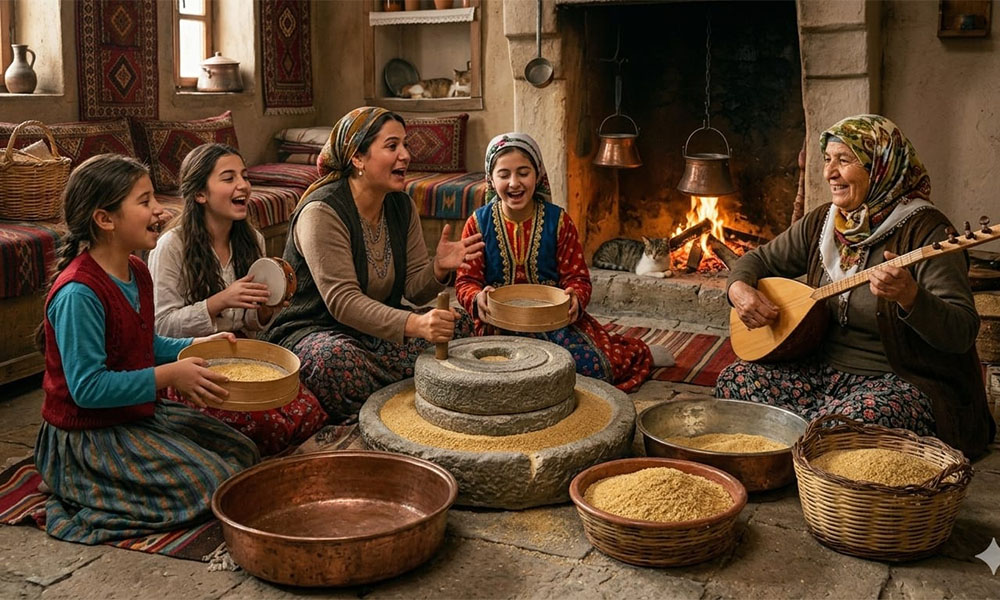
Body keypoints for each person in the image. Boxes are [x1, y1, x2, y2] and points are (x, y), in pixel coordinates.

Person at [717, 114, 995, 458]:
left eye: (844, 160)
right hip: (820, 373)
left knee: (852, 422)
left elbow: (962, 332)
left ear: (880, 166)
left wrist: (911, 297)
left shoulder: (928, 233)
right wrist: (738, 289)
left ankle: (801, 441)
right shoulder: (825, 222)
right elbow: (755, 261)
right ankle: (814, 448)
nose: (829, 173)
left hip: (895, 383)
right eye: (827, 159)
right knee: (736, 380)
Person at [33, 154, 259, 545]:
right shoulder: (79, 293)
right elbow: (88, 389)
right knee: (213, 483)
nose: (160, 210)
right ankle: (77, 488)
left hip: (134, 415)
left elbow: (144, 344)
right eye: (145, 201)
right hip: (88, 436)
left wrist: (193, 345)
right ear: (106, 220)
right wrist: (170, 376)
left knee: (242, 453)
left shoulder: (136, 270)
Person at [263, 107, 484, 422]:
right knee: (335, 363)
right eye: (392, 146)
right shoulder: (322, 212)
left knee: (461, 325)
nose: (405, 155)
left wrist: (438, 268)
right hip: (317, 332)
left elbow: (414, 290)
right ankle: (413, 390)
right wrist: (417, 326)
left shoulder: (401, 205)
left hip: (373, 335)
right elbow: (344, 303)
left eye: (405, 145)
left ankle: (396, 393)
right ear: (357, 158)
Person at [148, 143, 327, 455]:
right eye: (228, 178)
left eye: (244, 176)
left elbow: (251, 322)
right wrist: (220, 301)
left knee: (308, 410)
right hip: (190, 364)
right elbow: (161, 325)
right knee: (264, 425)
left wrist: (267, 309)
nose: (243, 185)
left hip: (240, 353)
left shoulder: (252, 240)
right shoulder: (171, 247)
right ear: (200, 194)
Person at [455, 133, 669, 393]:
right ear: (491, 179)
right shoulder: (477, 224)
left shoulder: (559, 222)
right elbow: (466, 281)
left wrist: (576, 297)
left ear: (538, 174)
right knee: (492, 376)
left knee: (598, 367)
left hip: (552, 323)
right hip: (496, 325)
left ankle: (637, 353)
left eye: (523, 172)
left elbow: (577, 277)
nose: (514, 183)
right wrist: (477, 297)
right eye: (504, 174)